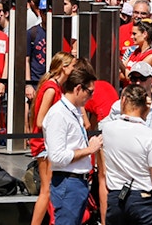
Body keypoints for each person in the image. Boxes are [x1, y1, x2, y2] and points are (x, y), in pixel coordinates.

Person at [98, 84, 152, 225]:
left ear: (123, 100)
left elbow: (103, 171)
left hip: (116, 196)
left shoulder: (107, 130)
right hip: (142, 198)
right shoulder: (150, 136)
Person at [42, 65, 103, 225]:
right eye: (89, 92)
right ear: (78, 89)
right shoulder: (59, 114)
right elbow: (56, 157)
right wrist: (89, 150)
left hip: (76, 182)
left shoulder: (73, 111)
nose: (91, 97)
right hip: (68, 182)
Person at [29, 51, 76, 225]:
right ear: (64, 68)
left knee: (50, 189)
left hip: (48, 144)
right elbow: (40, 120)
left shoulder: (55, 87)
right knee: (47, 189)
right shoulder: (51, 88)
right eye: (72, 66)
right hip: (44, 145)